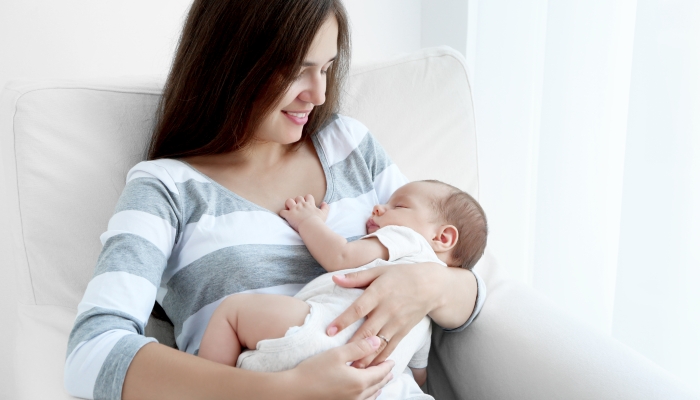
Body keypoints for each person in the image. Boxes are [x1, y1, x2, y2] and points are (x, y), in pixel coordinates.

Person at [64, 1, 486, 399]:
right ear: (231, 63)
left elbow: (462, 274)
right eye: (297, 71)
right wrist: (286, 390)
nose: (318, 94)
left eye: (327, 68)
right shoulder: (167, 188)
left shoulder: (348, 145)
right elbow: (92, 354)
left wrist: (428, 283)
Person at [198, 180, 487, 400]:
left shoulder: (407, 241)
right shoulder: (424, 320)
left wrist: (308, 221)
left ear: (442, 237)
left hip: (314, 333)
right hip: (361, 386)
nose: (379, 207)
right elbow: (420, 374)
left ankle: (208, 387)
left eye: (398, 206)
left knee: (232, 312)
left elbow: (341, 256)